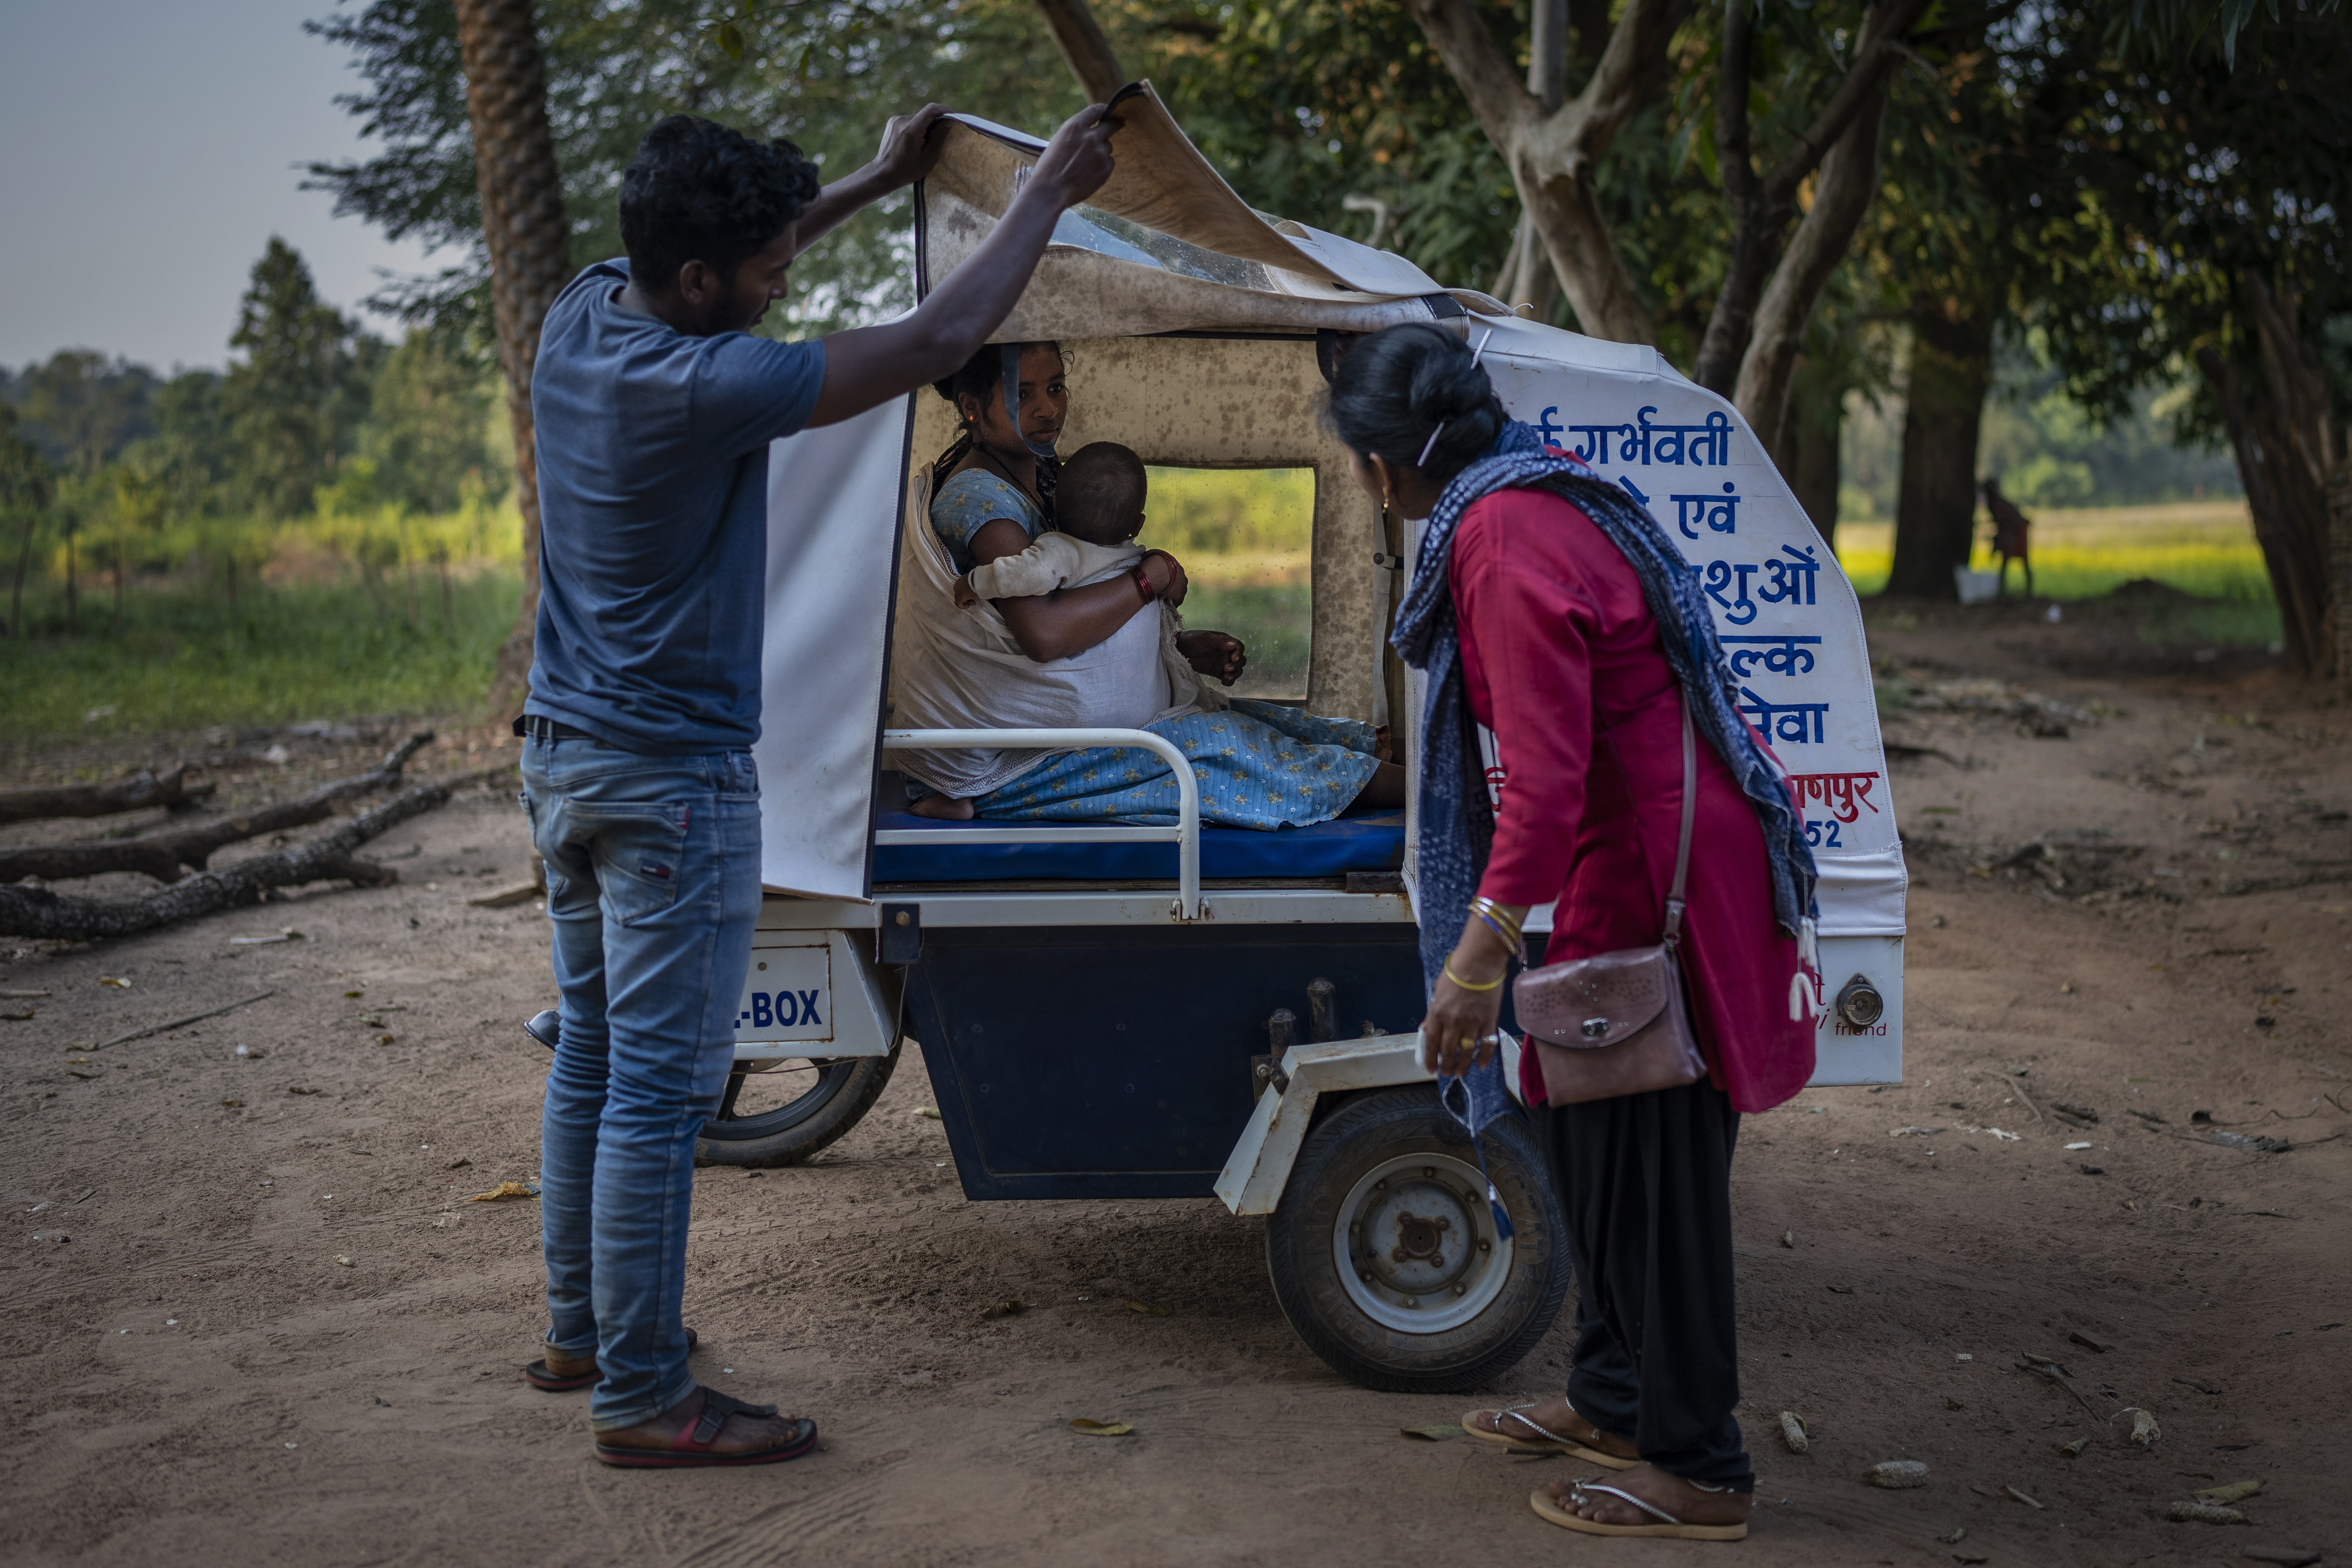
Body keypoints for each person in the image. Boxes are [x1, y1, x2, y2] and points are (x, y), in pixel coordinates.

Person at [517, 105, 1118, 1468]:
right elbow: (933, 346)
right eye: (770, 271)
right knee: (666, 1100)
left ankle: (580, 1336)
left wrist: (873, 179)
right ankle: (647, 1396)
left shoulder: (583, 311)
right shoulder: (704, 384)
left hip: (562, 760)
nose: (784, 283)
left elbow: (734, 259)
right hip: (673, 787)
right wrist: (1047, 200)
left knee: (600, 1061)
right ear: (698, 285)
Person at [1325, 324, 1818, 1542]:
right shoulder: (1529, 500)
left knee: (1658, 1184)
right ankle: (1611, 1399)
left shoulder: (1497, 543)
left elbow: (1543, 787)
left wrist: (1470, 968)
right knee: (1600, 1159)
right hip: (1634, 869)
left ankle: (1699, 1468)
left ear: (1386, 473)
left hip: (1661, 889)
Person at [895, 344, 1405, 826]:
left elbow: (1078, 598)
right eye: (1022, 394)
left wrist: (1175, 651)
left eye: (1056, 387)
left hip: (1060, 737)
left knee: (1264, 723)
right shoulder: (980, 499)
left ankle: (1413, 775)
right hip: (1011, 762)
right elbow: (1043, 633)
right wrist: (1149, 578)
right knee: (1228, 744)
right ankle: (1424, 795)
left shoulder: (1041, 476)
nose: (1047, 409)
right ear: (970, 408)